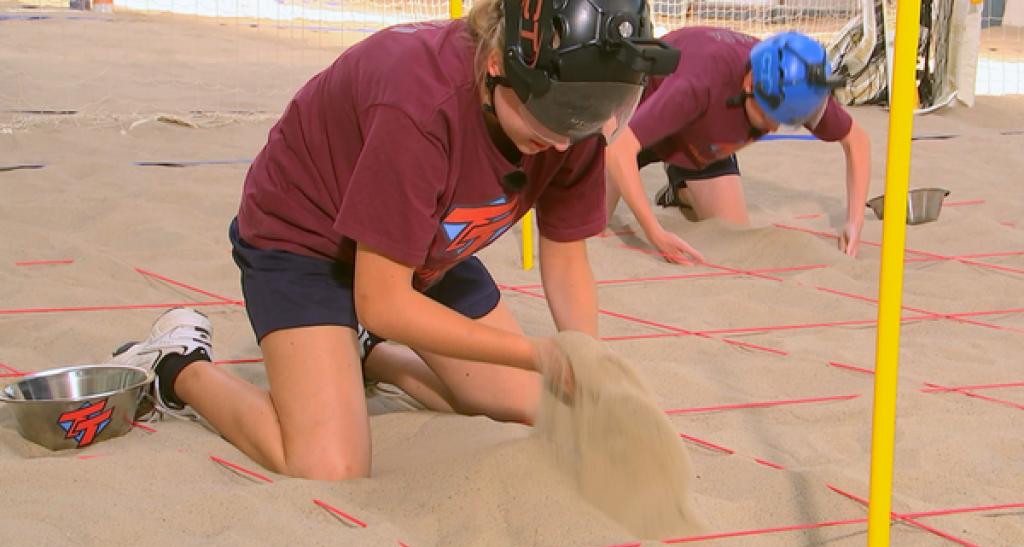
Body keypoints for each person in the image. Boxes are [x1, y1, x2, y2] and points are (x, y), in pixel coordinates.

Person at [110, 0, 679, 480]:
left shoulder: (574, 118)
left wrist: (584, 358)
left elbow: (566, 257)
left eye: (585, 117)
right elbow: (381, 300)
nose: (562, 142)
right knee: (329, 466)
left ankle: (364, 351)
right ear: (496, 63)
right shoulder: (420, 103)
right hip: (306, 238)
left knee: (532, 407)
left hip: (422, 242)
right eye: (551, 117)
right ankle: (177, 364)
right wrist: (537, 352)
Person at [604, 28, 872, 264]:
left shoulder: (796, 86)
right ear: (749, 83)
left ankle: (680, 186)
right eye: (770, 115)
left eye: (785, 121)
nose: (774, 128)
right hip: (634, 118)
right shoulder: (699, 82)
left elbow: (857, 141)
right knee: (591, 226)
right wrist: (655, 232)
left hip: (700, 142)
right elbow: (619, 149)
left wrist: (854, 221)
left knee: (732, 231)